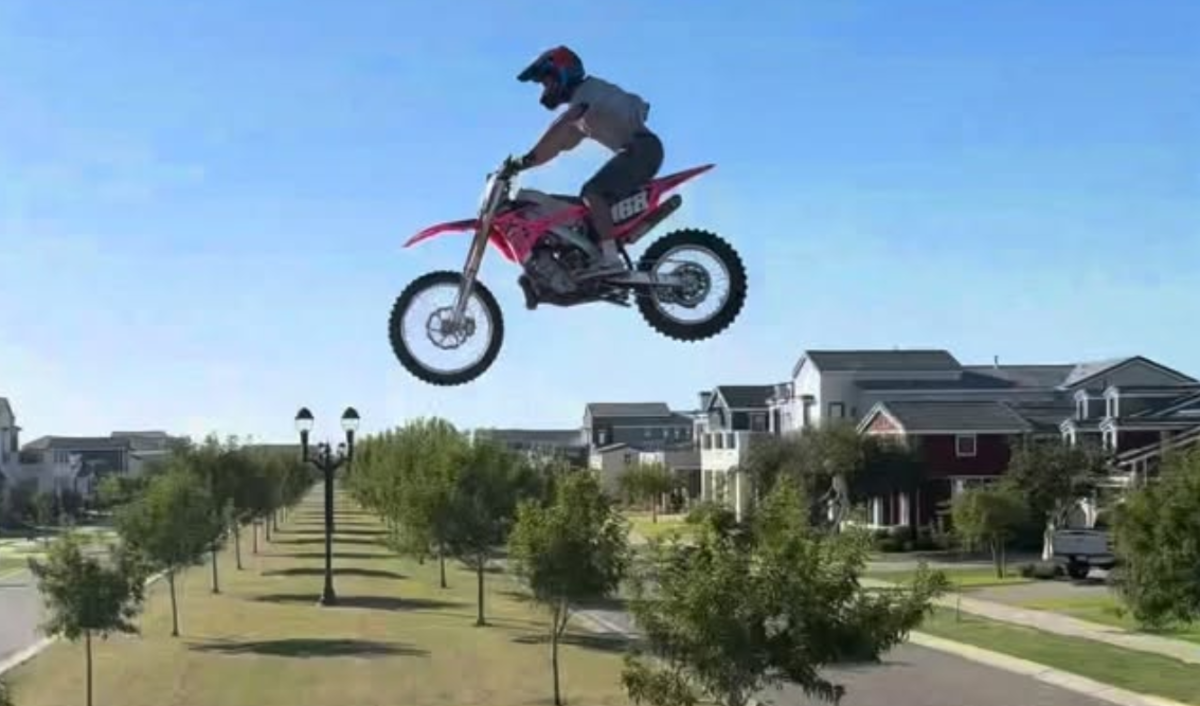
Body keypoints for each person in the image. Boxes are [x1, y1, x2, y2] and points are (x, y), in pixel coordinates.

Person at [514, 46, 664, 278]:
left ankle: (610, 259)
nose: (545, 88)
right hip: (639, 151)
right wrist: (524, 165)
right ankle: (593, 256)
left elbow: (562, 124)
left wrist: (525, 159)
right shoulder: (584, 111)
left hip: (642, 149)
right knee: (585, 210)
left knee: (593, 192)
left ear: (563, 72)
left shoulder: (587, 92)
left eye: (547, 81)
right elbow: (558, 145)